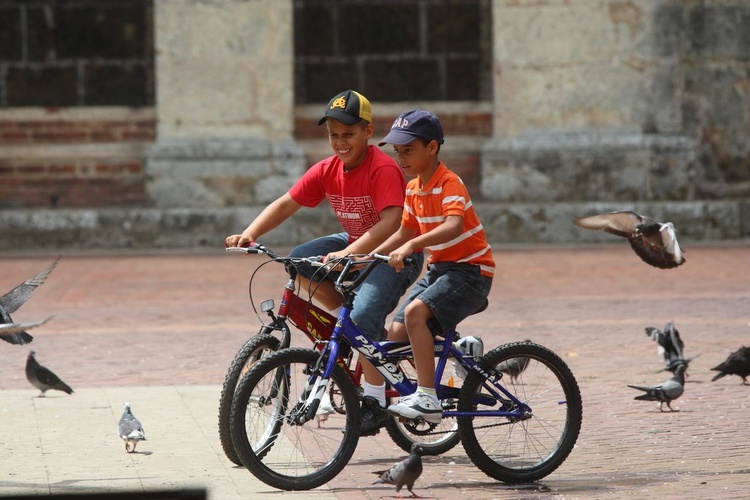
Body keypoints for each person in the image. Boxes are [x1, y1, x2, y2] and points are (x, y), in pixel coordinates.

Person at [225, 90, 424, 435]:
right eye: (333, 135)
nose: (340, 142)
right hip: (354, 244)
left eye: (348, 134)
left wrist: (350, 255)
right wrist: (250, 233)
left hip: (395, 252)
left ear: (367, 131)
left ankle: (374, 402)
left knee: (363, 317)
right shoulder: (327, 169)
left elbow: (392, 222)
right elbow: (287, 204)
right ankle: (344, 324)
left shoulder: (383, 168)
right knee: (298, 260)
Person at [371, 109, 494, 424]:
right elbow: (403, 232)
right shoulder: (413, 188)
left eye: (408, 150)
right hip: (440, 270)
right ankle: (461, 351)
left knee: (415, 314)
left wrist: (412, 246)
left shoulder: (450, 183)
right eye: (398, 151)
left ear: (432, 147)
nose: (401, 158)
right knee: (396, 334)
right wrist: (362, 255)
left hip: (471, 272)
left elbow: (453, 226)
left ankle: (428, 398)